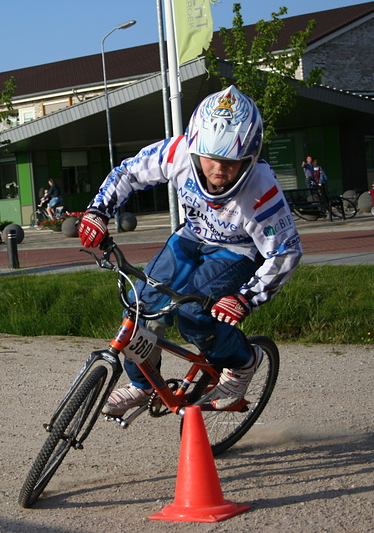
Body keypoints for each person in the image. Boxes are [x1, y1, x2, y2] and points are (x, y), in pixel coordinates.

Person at [78, 85, 303, 416]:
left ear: (250, 157)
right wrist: (98, 212)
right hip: (190, 237)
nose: (218, 171)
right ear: (195, 146)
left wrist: (245, 299)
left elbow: (286, 252)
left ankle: (242, 363)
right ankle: (142, 385)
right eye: (210, 157)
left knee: (193, 315)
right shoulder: (178, 152)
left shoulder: (261, 189)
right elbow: (127, 173)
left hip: (237, 251)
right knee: (141, 306)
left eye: (231, 162)